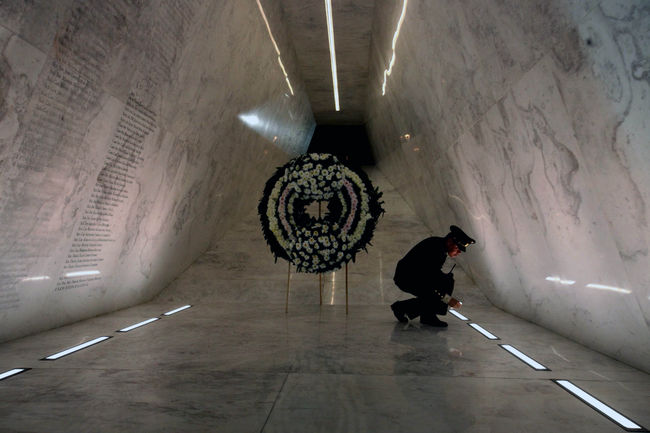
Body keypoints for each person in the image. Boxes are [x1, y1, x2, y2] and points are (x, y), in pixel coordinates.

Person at [390, 225, 475, 327]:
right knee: (436, 290)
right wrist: (447, 299)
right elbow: (428, 280)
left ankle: (427, 316)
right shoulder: (436, 250)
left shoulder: (439, 246)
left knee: (445, 282)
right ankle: (402, 308)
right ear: (449, 242)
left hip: (415, 276)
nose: (459, 252)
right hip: (407, 277)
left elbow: (432, 276)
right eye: (457, 248)